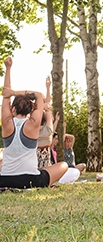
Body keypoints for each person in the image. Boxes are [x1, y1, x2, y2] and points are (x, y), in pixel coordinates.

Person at [0, 57, 67, 188]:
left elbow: (5, 95)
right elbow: (39, 95)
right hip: (30, 180)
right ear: (31, 110)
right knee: (63, 165)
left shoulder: (7, 123)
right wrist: (15, 92)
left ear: (12, 109)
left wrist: (8, 69)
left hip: (4, 180)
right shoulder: (33, 123)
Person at [36, 76, 57, 170]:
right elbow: (48, 107)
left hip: (33, 167)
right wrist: (48, 88)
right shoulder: (47, 130)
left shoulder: (29, 130)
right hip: (46, 169)